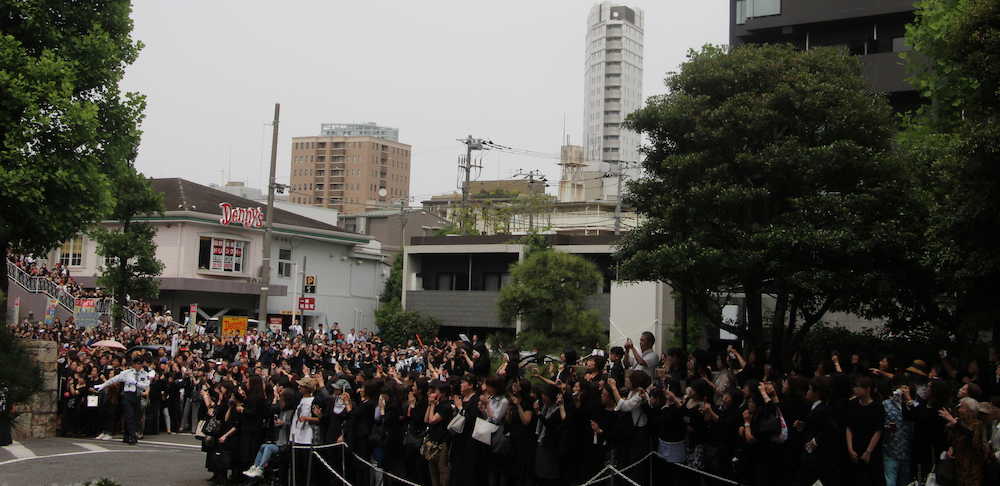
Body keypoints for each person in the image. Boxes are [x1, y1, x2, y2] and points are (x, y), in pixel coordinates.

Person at [94, 355, 149, 445]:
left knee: (134, 417)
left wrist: (135, 383)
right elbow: (114, 379)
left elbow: (146, 385)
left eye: (140, 364)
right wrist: (102, 385)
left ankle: (126, 436)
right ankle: (132, 437)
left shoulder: (144, 374)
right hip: (127, 396)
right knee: (130, 416)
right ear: (133, 364)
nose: (138, 366)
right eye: (137, 363)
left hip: (137, 396)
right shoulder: (126, 373)